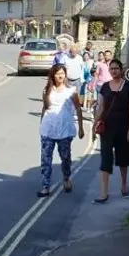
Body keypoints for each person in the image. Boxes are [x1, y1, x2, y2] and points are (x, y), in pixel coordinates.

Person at [38, 64, 84, 198]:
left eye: (62, 73)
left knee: (65, 158)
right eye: (57, 73)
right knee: (46, 159)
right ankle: (45, 186)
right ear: (53, 75)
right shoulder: (47, 90)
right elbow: (44, 108)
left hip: (64, 129)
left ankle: (66, 178)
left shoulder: (71, 91)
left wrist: (81, 128)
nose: (60, 76)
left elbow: (78, 109)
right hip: (48, 129)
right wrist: (41, 124)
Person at [93, 58, 129, 203]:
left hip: (123, 127)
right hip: (107, 127)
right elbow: (100, 107)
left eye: (116, 68)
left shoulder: (128, 86)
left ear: (121, 70)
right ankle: (103, 192)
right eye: (111, 69)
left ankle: (124, 184)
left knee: (123, 158)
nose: (114, 71)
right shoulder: (104, 87)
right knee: (105, 157)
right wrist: (95, 124)